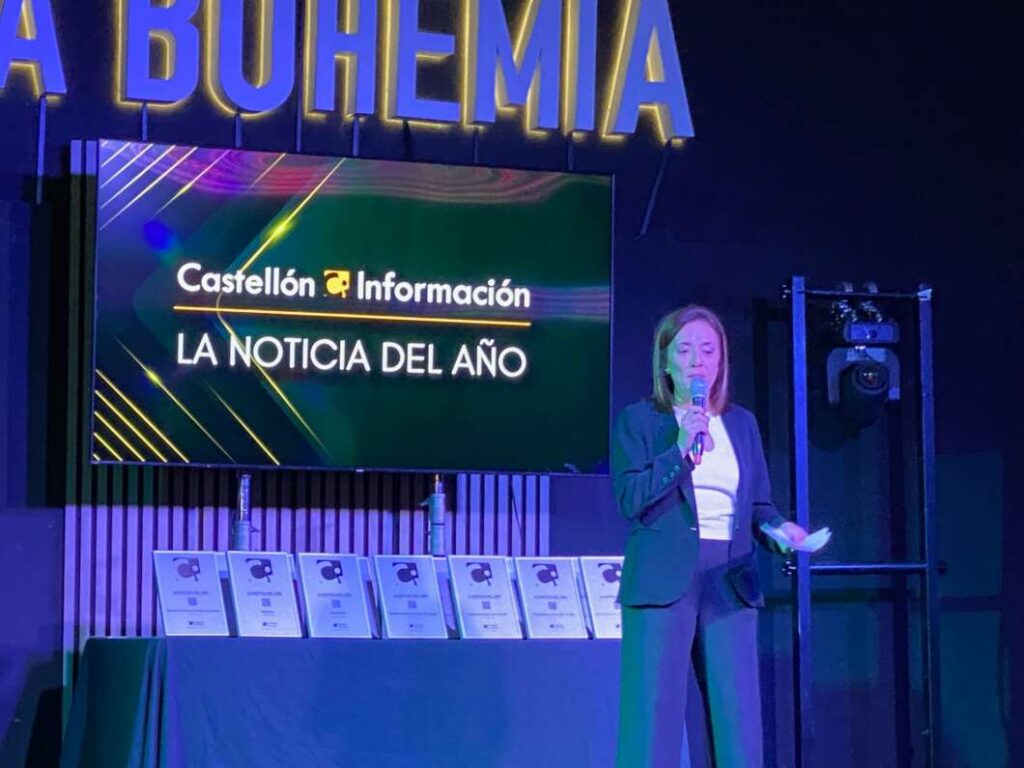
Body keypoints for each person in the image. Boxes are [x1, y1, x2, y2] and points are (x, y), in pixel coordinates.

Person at [613, 305, 808, 768]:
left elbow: (758, 504)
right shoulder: (640, 421)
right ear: (665, 362)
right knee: (652, 724)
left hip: (730, 580)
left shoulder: (741, 423)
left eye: (708, 350)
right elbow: (630, 499)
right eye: (684, 350)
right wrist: (680, 448)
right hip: (663, 578)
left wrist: (779, 528)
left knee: (738, 726)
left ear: (721, 361)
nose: (698, 360)